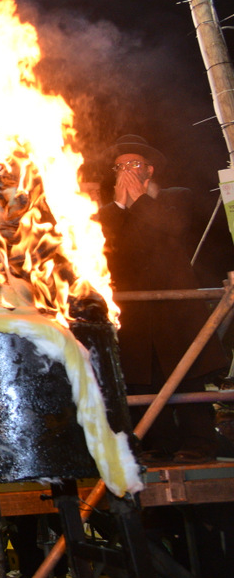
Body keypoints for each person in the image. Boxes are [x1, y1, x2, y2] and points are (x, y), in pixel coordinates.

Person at [98, 134, 229, 463]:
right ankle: (157, 444)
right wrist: (118, 205)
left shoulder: (175, 198)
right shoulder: (109, 212)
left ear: (150, 170)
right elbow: (103, 245)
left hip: (176, 310)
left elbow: (169, 230)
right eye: (120, 167)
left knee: (187, 372)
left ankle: (199, 444)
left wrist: (140, 200)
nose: (126, 171)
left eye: (134, 165)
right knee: (143, 378)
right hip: (135, 312)